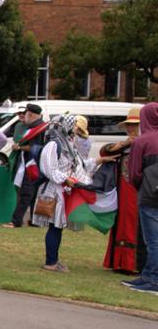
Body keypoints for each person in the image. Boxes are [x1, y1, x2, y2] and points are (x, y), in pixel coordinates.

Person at [33, 115, 113, 274]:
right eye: (73, 126)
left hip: (64, 191)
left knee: (58, 227)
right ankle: (51, 262)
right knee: (55, 227)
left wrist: (101, 160)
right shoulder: (53, 145)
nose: (75, 130)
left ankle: (53, 260)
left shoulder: (67, 144)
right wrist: (65, 179)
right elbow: (49, 169)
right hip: (55, 192)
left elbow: (80, 165)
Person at [103, 106, 144, 275]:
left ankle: (132, 264)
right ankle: (120, 262)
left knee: (135, 225)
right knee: (122, 223)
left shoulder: (146, 144)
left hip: (138, 191)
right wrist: (126, 143)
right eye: (129, 125)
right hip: (122, 191)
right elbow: (105, 150)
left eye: (134, 125)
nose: (131, 128)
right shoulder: (124, 145)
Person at [125, 102, 158, 294]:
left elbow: (134, 173)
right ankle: (147, 274)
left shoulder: (141, 141)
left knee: (152, 240)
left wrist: (140, 187)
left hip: (149, 195)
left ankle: (152, 278)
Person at [6, 103, 49, 228]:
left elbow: (34, 147)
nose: (24, 116)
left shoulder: (37, 129)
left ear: (30, 114)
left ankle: (16, 221)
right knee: (33, 194)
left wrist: (19, 147)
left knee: (26, 193)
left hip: (32, 164)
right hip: (34, 164)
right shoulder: (39, 127)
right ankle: (35, 221)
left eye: (25, 114)